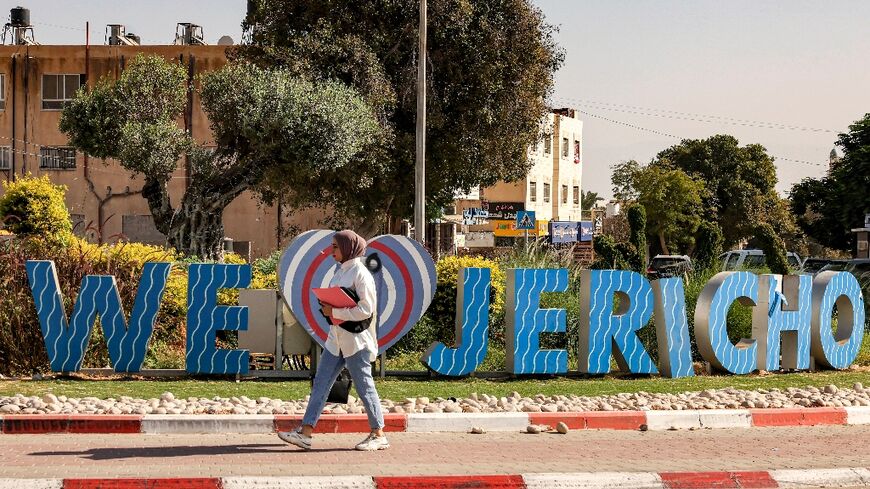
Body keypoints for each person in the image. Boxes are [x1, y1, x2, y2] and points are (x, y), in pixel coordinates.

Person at [278, 230, 389, 451]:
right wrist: (327, 308)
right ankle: (306, 433)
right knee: (321, 383)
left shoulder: (361, 273)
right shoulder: (340, 272)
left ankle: (378, 434)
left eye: (336, 247)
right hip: (336, 339)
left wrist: (337, 312)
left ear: (348, 248)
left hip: (356, 341)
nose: (332, 251)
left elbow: (367, 309)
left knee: (364, 385)